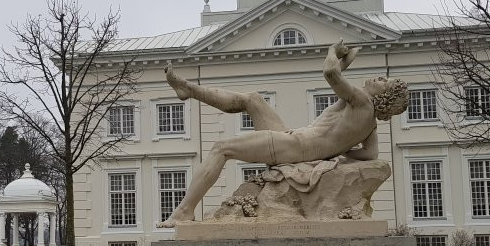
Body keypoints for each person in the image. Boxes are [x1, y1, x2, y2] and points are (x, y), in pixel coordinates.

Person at [158, 39, 409, 226]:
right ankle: (188, 89)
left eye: (384, 82)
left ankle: (185, 210)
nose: (379, 78)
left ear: (386, 97)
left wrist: (333, 52)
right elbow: (370, 153)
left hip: (293, 147)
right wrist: (336, 153)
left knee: (222, 148)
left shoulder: (363, 101)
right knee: (253, 100)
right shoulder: (370, 124)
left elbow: (330, 73)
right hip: (292, 140)